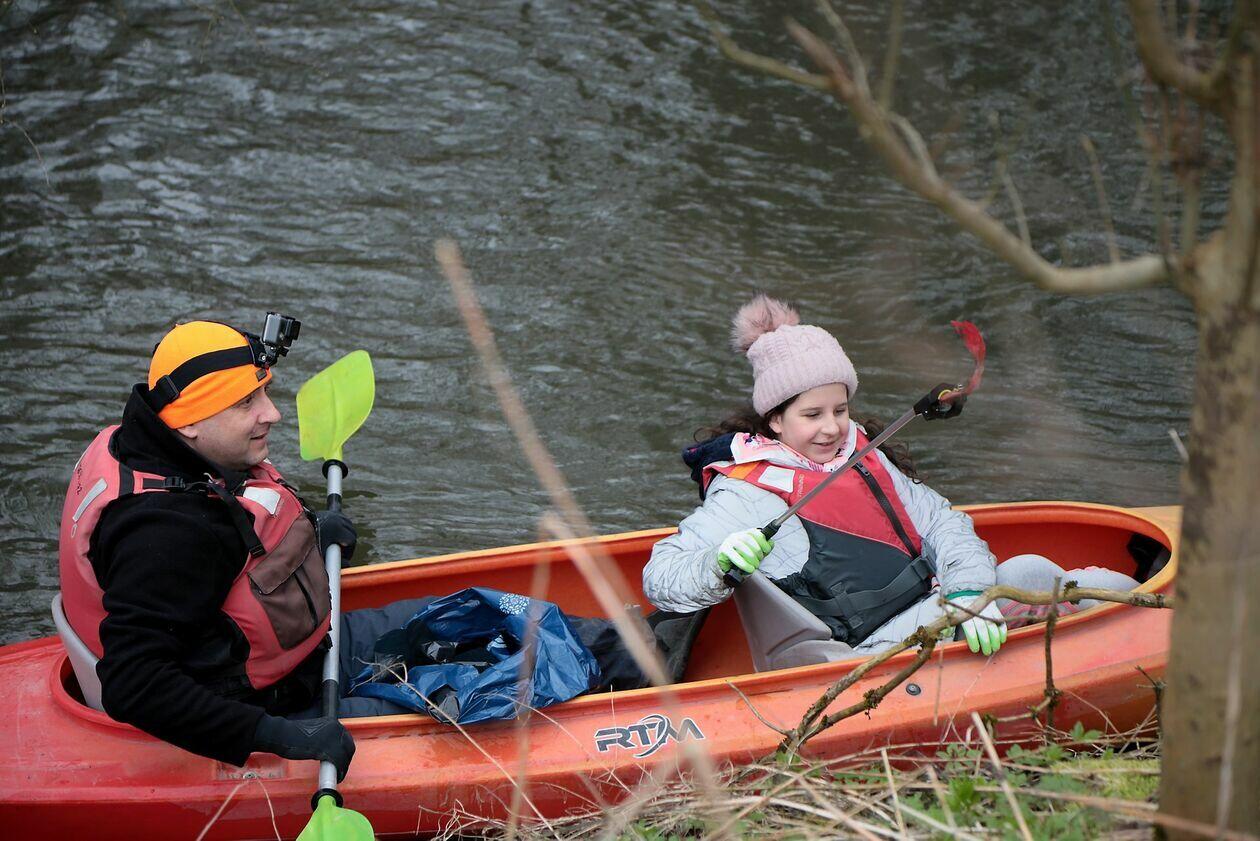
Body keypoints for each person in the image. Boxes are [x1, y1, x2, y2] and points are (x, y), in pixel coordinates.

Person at [642, 295, 1139, 658]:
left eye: (839, 409)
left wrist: (968, 591)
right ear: (775, 419)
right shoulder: (745, 493)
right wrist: (718, 563)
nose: (832, 427)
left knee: (1030, 569)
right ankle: (1130, 634)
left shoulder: (860, 452)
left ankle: (1148, 607)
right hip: (861, 653)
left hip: (929, 604)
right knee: (1024, 580)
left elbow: (942, 523)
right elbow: (660, 578)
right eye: (812, 415)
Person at [58, 317, 421, 782]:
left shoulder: (152, 444)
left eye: (264, 393)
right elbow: (134, 685)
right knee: (481, 703)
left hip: (305, 657)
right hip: (267, 706)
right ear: (190, 421)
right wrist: (276, 736)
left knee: (475, 615)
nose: (273, 414)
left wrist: (310, 532)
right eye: (247, 402)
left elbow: (236, 526)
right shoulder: (168, 535)